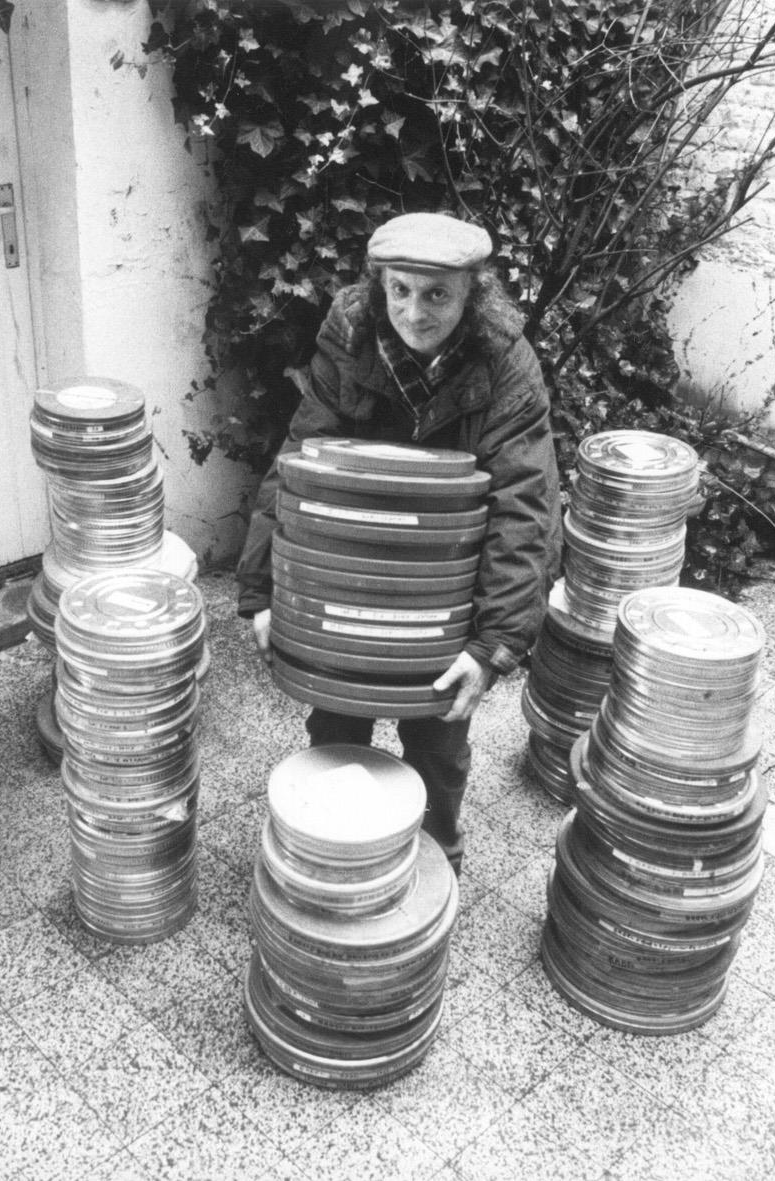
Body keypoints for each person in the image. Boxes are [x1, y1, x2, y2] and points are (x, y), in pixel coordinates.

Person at [235, 211, 562, 872]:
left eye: (437, 294)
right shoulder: (351, 336)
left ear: (472, 293)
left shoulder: (505, 360)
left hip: (444, 590)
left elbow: (524, 506)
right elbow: (298, 461)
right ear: (379, 285)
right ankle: (337, 859)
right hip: (347, 578)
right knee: (335, 727)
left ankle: (438, 864)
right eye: (400, 290)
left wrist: (493, 645)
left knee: (438, 744)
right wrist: (261, 591)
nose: (415, 312)